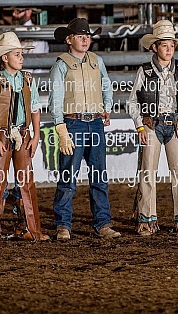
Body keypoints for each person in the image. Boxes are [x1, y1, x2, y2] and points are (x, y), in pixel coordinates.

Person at [127, 20, 178, 236]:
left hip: (174, 123)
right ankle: (146, 220)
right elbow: (133, 102)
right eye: (165, 45)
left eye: (172, 45)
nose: (169, 49)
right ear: (155, 47)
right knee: (148, 174)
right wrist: (139, 127)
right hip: (151, 125)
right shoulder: (144, 71)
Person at [48, 17, 121, 241]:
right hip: (73, 122)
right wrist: (61, 129)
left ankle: (102, 223)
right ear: (69, 40)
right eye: (81, 36)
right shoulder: (61, 65)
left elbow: (106, 85)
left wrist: (107, 107)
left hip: (94, 121)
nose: (85, 39)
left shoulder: (96, 61)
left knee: (99, 175)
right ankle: (63, 224)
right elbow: (55, 100)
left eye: (88, 36)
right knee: (68, 176)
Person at [0, 32, 49, 244]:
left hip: (23, 134)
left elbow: (34, 107)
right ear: (5, 58)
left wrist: (35, 135)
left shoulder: (27, 79)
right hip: (0, 135)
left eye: (21, 54)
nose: (21, 57)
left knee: (26, 180)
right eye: (17, 54)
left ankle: (28, 228)